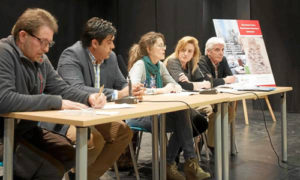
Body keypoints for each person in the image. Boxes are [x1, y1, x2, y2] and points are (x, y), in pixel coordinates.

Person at [0, 8, 106, 180]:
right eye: (42, 42)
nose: (46, 49)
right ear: (22, 36)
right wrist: (56, 102)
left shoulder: (40, 58)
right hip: (4, 134)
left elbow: (61, 88)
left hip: (26, 130)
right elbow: (4, 99)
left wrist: (88, 97)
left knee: (70, 154)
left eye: (49, 43)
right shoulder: (4, 53)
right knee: (51, 168)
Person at [53, 17, 143, 179]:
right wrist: (117, 94)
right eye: (109, 42)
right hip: (70, 116)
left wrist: (131, 90)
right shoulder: (71, 55)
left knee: (123, 132)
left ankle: (86, 177)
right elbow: (75, 88)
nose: (113, 46)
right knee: (94, 140)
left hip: (97, 115)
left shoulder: (112, 57)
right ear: (95, 43)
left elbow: (122, 83)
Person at [127, 32, 210, 180]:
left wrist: (167, 88)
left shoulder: (159, 66)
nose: (164, 48)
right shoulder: (140, 65)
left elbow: (175, 85)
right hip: (139, 115)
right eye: (160, 45)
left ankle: (182, 163)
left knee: (184, 115)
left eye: (164, 45)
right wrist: (162, 90)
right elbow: (133, 90)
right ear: (148, 48)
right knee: (183, 119)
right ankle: (177, 164)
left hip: (157, 112)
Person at [198, 37, 236, 149]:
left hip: (218, 97)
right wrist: (224, 80)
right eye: (217, 50)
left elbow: (231, 77)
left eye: (222, 49)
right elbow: (208, 82)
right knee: (213, 114)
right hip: (203, 98)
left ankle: (207, 140)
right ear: (208, 52)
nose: (221, 53)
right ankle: (212, 145)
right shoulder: (202, 61)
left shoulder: (223, 60)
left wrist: (224, 80)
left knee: (230, 112)